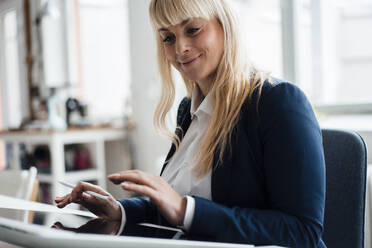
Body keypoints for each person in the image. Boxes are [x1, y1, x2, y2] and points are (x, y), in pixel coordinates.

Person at [55, 0, 326, 247]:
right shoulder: (188, 109)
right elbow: (175, 209)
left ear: (226, 26)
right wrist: (119, 209)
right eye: (168, 38)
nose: (180, 48)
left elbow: (302, 232)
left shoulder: (278, 102)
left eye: (193, 29)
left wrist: (185, 209)